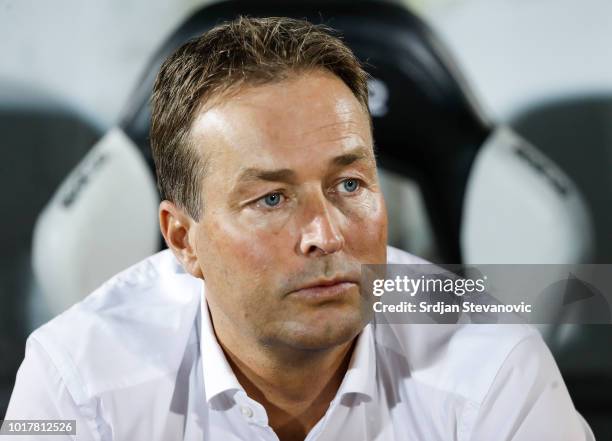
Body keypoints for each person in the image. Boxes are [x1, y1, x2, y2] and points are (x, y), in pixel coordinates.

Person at [4, 16, 593, 441]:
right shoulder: (72, 382)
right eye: (271, 198)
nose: (325, 235)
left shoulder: (495, 364)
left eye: (350, 186)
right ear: (183, 239)